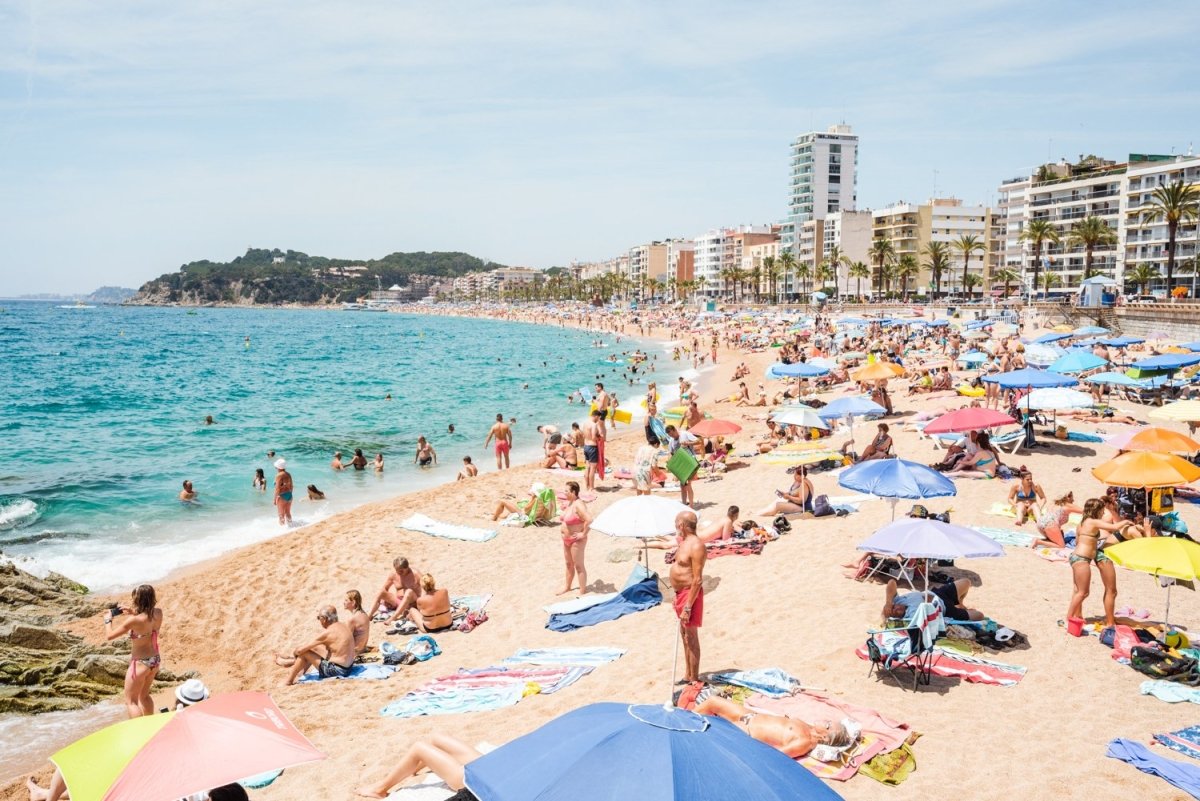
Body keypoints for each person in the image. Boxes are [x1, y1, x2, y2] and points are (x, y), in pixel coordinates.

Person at [695, 696, 853, 759]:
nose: (827, 720)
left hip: (747, 731)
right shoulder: (810, 726)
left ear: (824, 737)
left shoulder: (804, 742)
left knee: (711, 730)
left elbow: (777, 755)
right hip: (750, 716)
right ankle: (681, 719)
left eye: (828, 725)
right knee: (713, 701)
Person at [1068, 498, 1140, 629]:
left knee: (1079, 590)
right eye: (1103, 510)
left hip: (1077, 557)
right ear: (1098, 510)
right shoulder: (1093, 521)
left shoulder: (1082, 523)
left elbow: (1078, 541)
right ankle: (1070, 617)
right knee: (1086, 592)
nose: (1104, 513)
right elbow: (1114, 527)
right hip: (1082, 558)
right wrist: (1126, 521)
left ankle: (1077, 616)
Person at [355, 735, 483, 798]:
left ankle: (379, 790)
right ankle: (417, 764)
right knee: (436, 739)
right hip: (494, 767)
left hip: (484, 783)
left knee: (419, 748)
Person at [104, 584, 163, 718]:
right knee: (144, 696)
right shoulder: (158, 613)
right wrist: (132, 611)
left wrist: (108, 620)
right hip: (154, 660)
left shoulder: (133, 621)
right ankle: (150, 725)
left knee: (131, 702)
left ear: (138, 600)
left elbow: (109, 636)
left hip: (140, 663)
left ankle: (138, 731)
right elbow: (145, 620)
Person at [274, 605, 357, 685]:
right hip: (348, 667)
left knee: (304, 653)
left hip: (338, 671)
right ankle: (299, 671)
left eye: (319, 618)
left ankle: (289, 681)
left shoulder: (328, 632)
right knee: (314, 647)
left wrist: (295, 653)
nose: (319, 620)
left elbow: (300, 651)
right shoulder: (343, 625)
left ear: (324, 619)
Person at [882, 576, 983, 624]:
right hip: (946, 610)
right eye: (896, 613)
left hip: (939, 593)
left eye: (894, 607)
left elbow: (892, 582)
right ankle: (959, 608)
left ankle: (960, 603)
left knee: (967, 581)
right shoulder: (911, 616)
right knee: (979, 615)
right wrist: (930, 604)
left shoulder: (897, 601)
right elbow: (930, 621)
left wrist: (888, 602)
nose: (897, 608)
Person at [558, 481, 592, 595]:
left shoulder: (579, 504)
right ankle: (567, 587)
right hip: (566, 540)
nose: (564, 492)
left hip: (576, 540)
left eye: (566, 491)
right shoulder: (569, 503)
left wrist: (583, 534)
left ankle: (582, 591)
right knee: (568, 564)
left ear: (573, 492)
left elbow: (590, 520)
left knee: (578, 566)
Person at [368, 557, 424, 623]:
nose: (399, 572)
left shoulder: (416, 574)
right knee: (380, 592)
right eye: (397, 570)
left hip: (412, 603)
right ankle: (369, 616)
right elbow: (385, 588)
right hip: (398, 602)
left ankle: (393, 618)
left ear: (407, 567)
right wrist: (384, 601)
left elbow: (426, 589)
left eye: (401, 570)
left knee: (409, 592)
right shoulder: (394, 574)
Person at [582, 409, 606, 492]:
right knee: (592, 468)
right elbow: (593, 437)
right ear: (595, 416)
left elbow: (584, 435)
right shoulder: (593, 425)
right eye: (598, 418)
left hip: (585, 446)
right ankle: (591, 487)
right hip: (592, 447)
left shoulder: (585, 423)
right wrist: (599, 437)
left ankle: (586, 486)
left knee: (587, 467)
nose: (598, 419)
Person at [344, 590, 370, 654]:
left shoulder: (352, 620)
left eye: (346, 600)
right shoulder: (364, 614)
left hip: (355, 653)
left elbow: (346, 641)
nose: (343, 602)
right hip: (363, 649)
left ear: (353, 602)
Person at [273, 458, 293, 525]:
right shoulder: (288, 474)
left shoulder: (279, 475)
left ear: (278, 467)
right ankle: (291, 525)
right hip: (289, 495)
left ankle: (282, 529)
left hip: (282, 496)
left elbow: (277, 488)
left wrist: (274, 499)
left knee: (281, 514)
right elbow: (291, 486)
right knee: (288, 512)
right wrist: (290, 494)